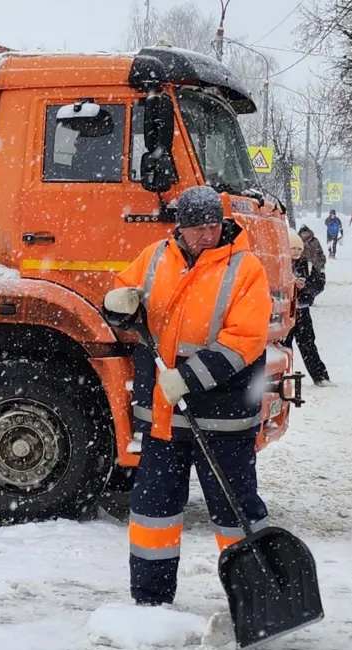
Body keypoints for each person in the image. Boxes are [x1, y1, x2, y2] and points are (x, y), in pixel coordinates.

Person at [102, 185, 273, 607]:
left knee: (235, 512)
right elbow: (124, 298)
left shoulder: (245, 267)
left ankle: (259, 599)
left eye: (213, 225)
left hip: (223, 418)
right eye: (197, 227)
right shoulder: (155, 257)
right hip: (163, 417)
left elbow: (243, 341)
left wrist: (189, 378)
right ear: (180, 227)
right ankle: (150, 601)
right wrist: (116, 303)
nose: (207, 234)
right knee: (152, 514)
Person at [283, 230, 333, 386]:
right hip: (283, 312)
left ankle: (320, 377)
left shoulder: (308, 264)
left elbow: (319, 284)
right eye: (293, 248)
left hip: (302, 310)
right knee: (283, 347)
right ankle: (283, 377)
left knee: (308, 344)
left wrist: (306, 289)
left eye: (299, 249)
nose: (296, 252)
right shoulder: (279, 264)